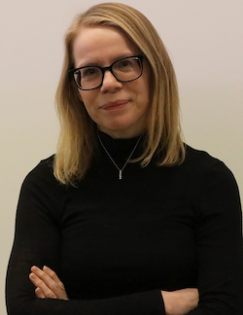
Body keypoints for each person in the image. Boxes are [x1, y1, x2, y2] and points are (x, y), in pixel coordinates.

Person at [5, 3, 243, 315]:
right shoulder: (47, 183)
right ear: (75, 89)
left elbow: (225, 308)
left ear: (155, 70)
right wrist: (161, 304)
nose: (109, 83)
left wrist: (73, 309)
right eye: (90, 71)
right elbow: (23, 308)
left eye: (125, 64)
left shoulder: (209, 181)